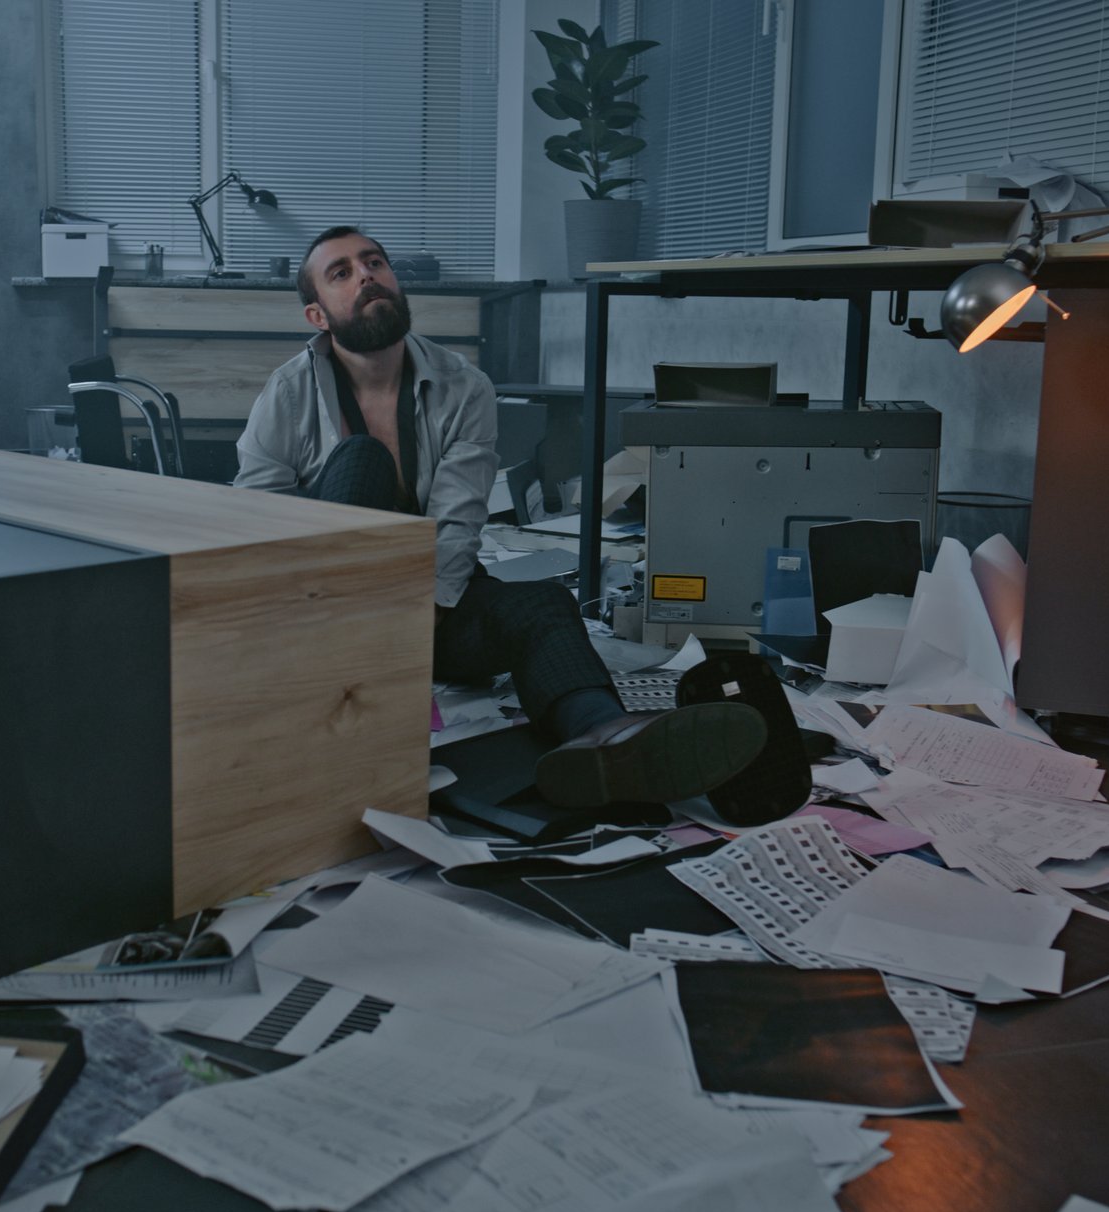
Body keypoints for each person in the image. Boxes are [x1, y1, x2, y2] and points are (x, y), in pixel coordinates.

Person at [234, 226, 766, 807]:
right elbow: (254, 522)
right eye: (342, 273)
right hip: (321, 618)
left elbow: (457, 522)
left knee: (542, 605)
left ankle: (607, 740)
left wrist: (416, 624)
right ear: (318, 315)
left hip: (422, 610)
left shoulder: (464, 387)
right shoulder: (287, 394)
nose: (366, 276)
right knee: (362, 461)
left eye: (375, 262)